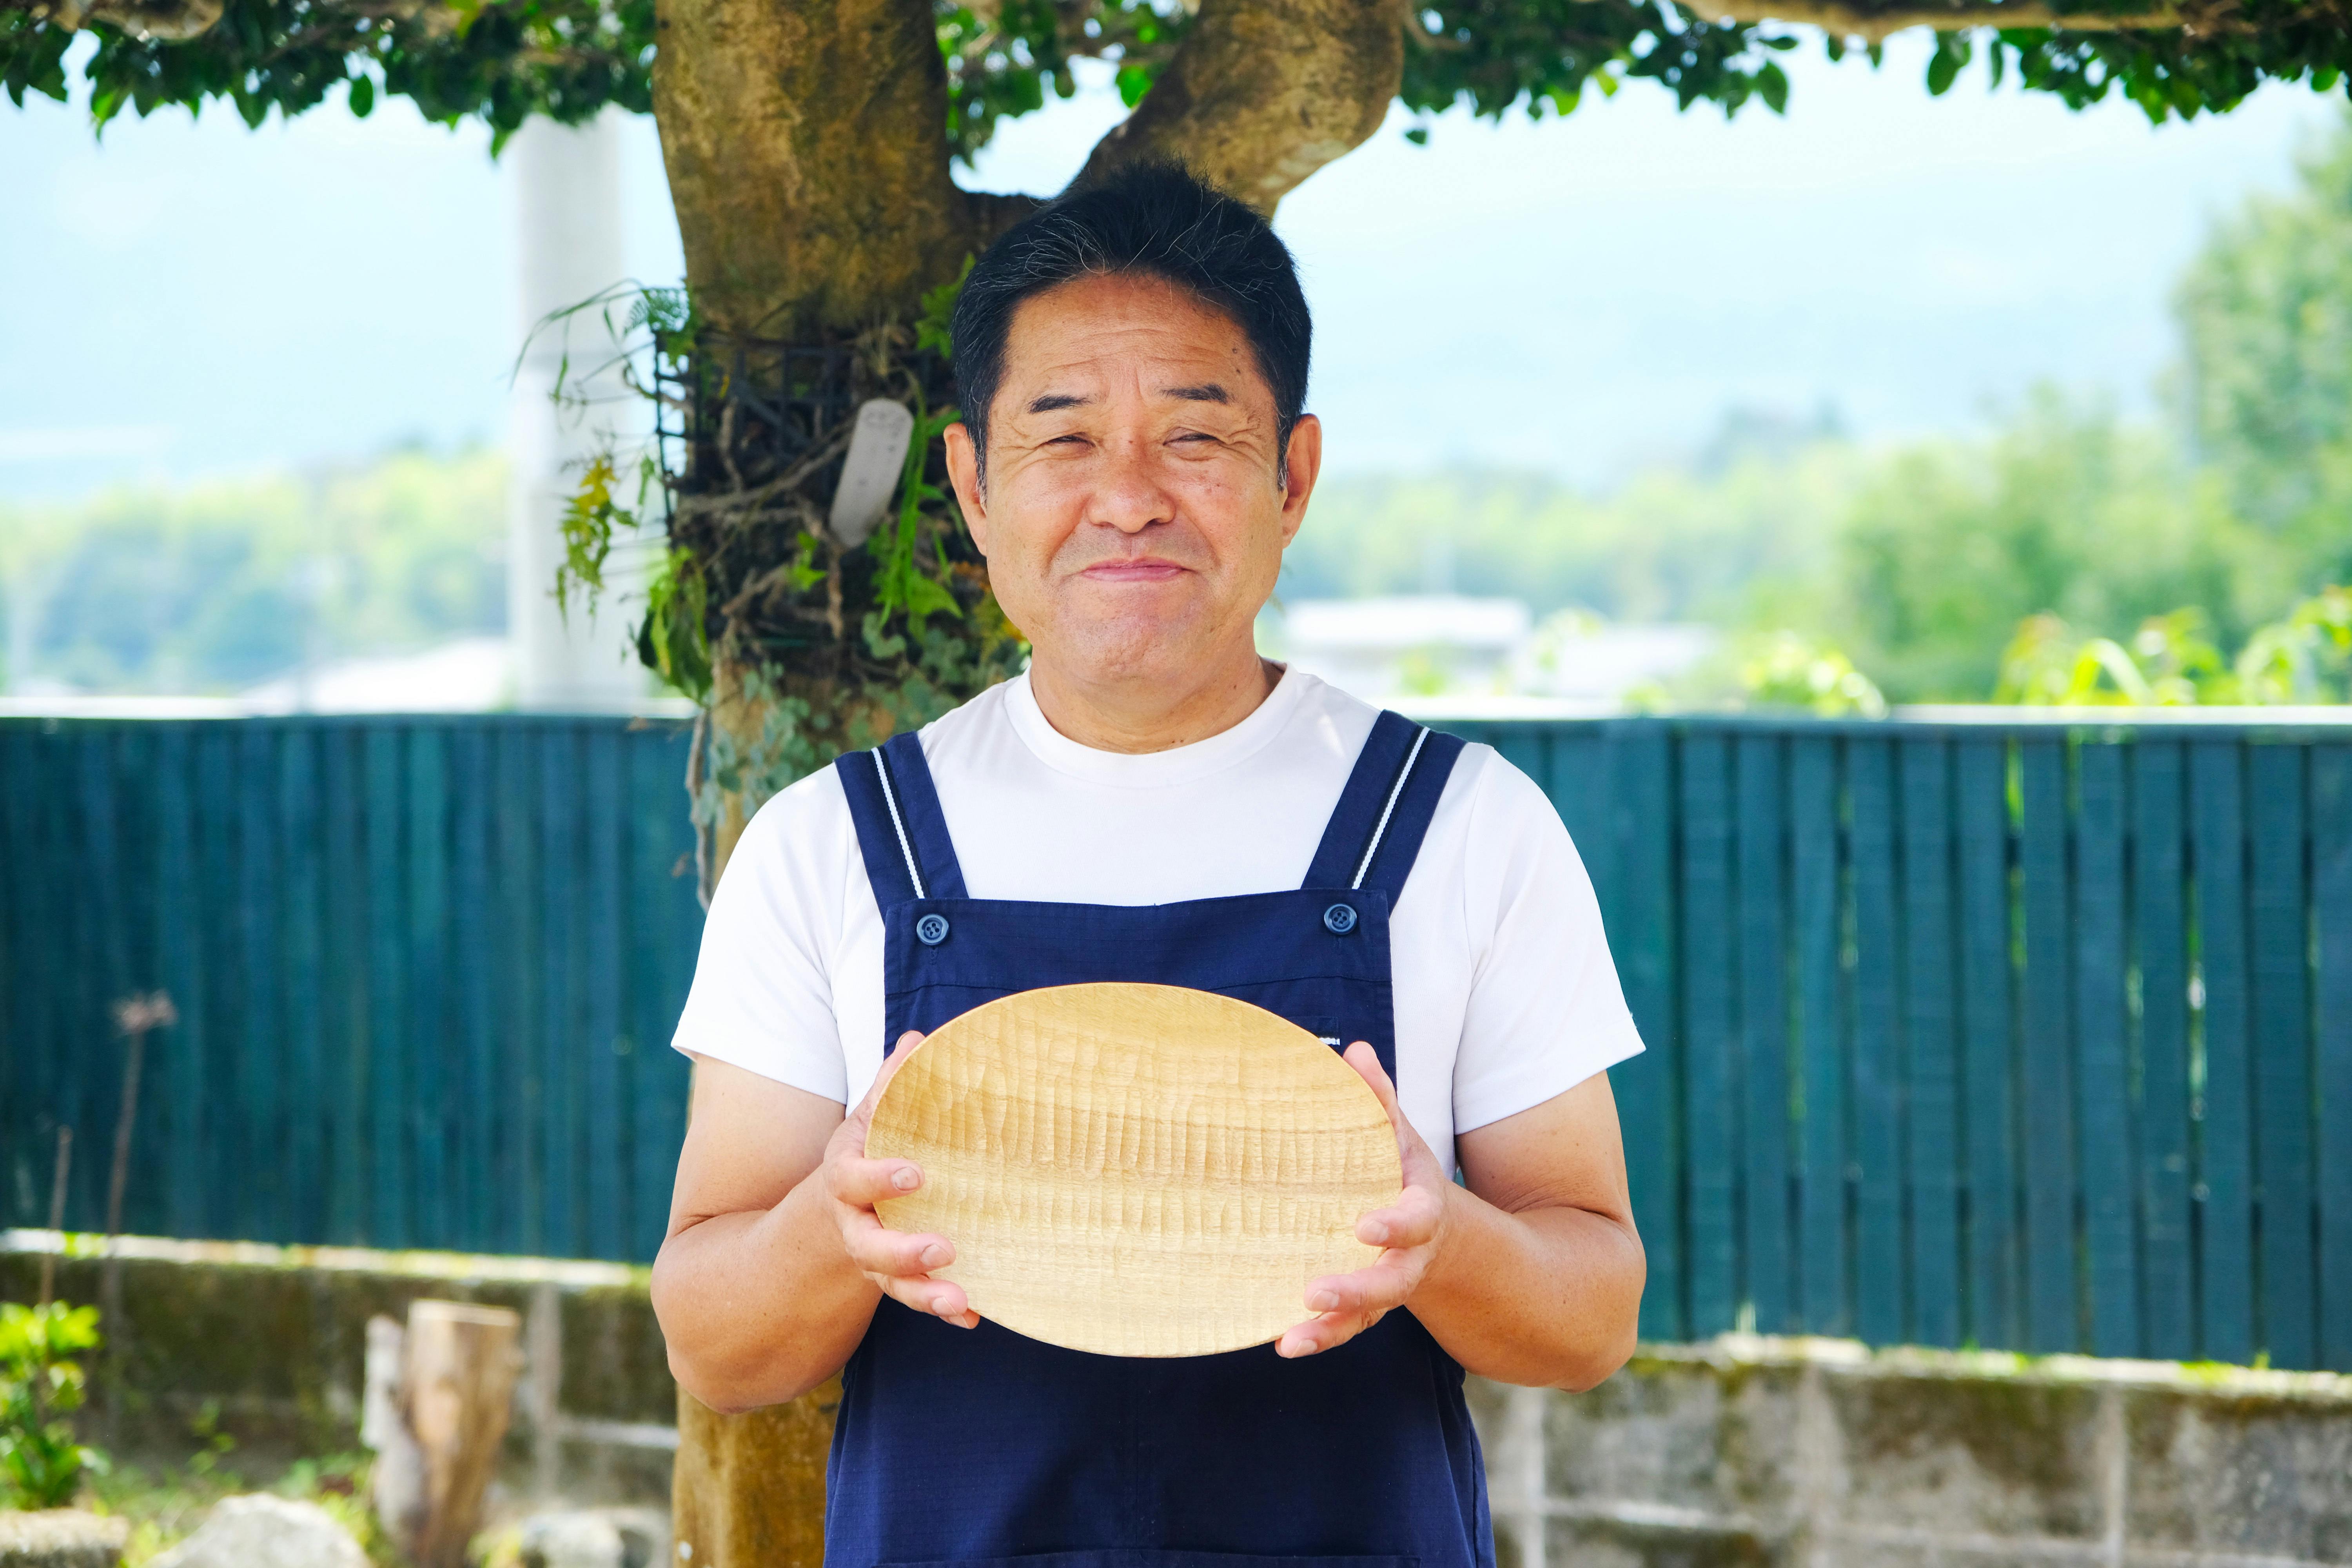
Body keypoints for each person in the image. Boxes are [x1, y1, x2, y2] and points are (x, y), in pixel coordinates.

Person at [652, 162, 1646, 1568]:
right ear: (973, 485)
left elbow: (1593, 1316)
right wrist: (832, 1224)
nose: (1128, 498)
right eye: (1064, 438)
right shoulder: (832, 847)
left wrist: (1452, 1245)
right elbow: (714, 1347)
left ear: (1292, 477)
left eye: (1194, 436)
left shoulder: (1461, 826)